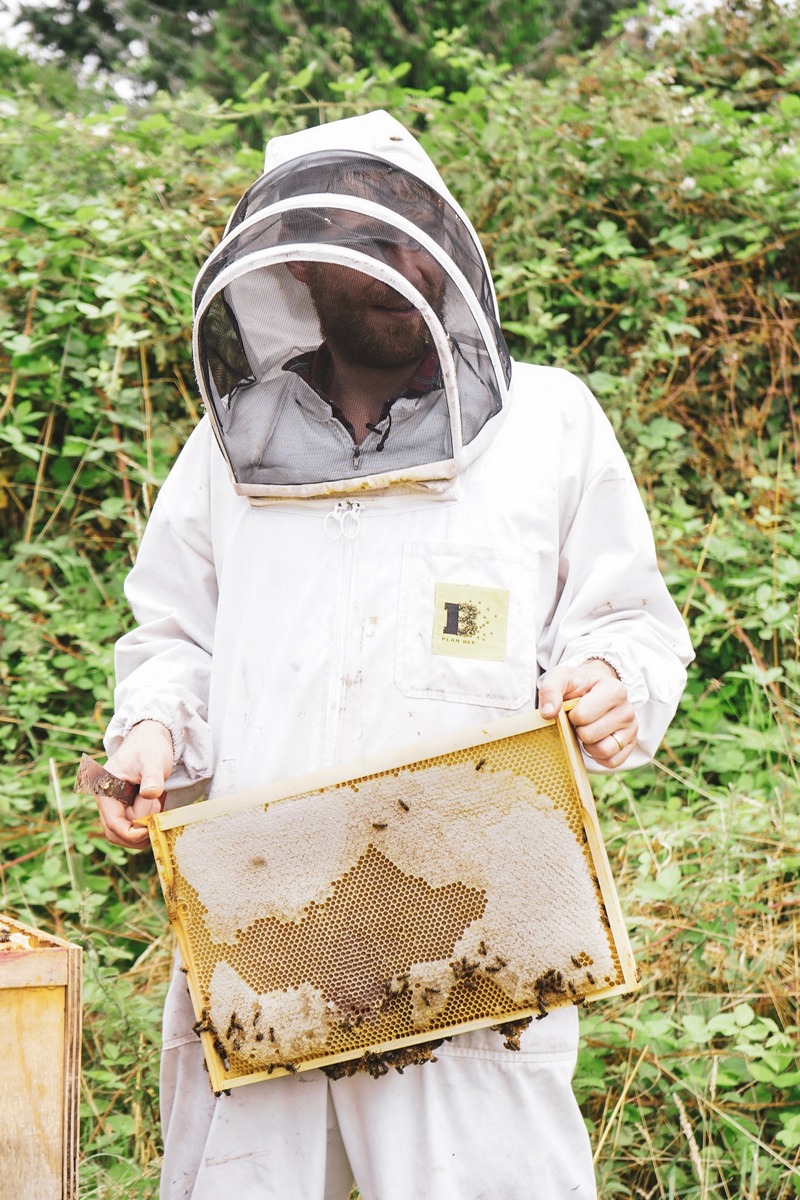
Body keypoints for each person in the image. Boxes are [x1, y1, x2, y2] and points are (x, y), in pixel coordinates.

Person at [93, 110, 693, 1200]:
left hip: (470, 940)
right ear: (295, 266)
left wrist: (609, 682)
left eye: (412, 229)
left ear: (448, 243)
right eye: (360, 241)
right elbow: (173, 636)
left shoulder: (549, 422)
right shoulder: (229, 449)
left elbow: (627, 623)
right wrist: (150, 731)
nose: (395, 262)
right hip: (264, 933)